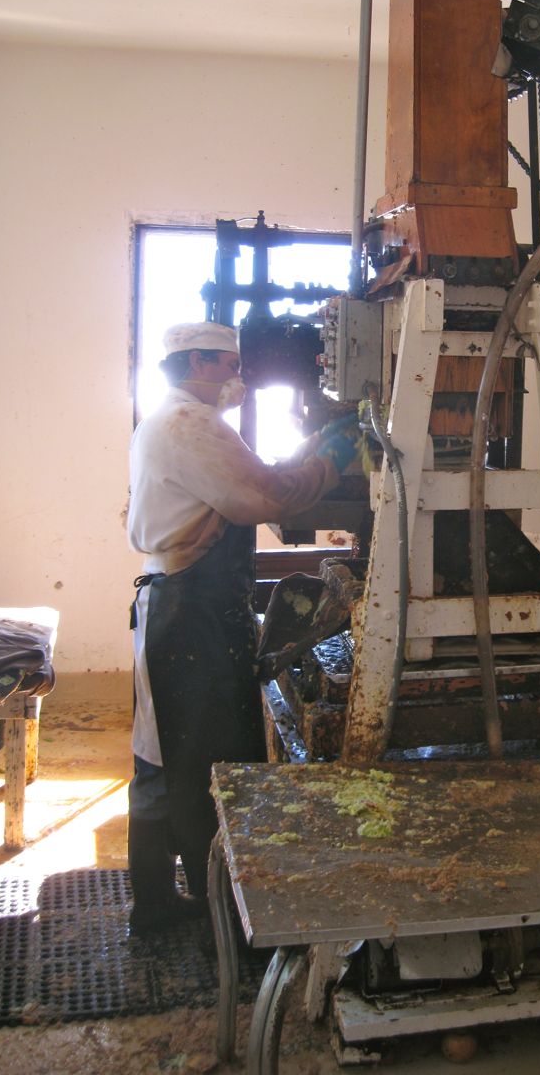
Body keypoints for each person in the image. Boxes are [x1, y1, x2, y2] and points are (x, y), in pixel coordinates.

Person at [126, 321, 358, 936]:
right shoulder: (189, 424)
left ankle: (154, 906)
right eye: (229, 365)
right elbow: (265, 496)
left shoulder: (176, 418)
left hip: (180, 604)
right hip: (189, 616)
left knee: (160, 756)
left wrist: (308, 451)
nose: (238, 377)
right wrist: (329, 463)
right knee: (202, 763)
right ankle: (214, 922)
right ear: (197, 363)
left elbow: (249, 480)